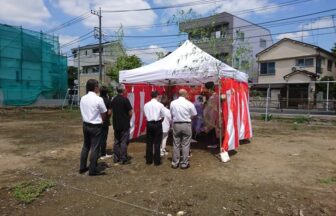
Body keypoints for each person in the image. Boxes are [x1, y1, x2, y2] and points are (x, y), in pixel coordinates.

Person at [79, 79, 107, 176]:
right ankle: (92, 169)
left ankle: (82, 167)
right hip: (95, 126)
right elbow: (104, 113)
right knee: (95, 148)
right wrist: (102, 121)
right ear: (95, 87)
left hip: (85, 124)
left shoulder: (83, 98)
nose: (99, 88)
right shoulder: (99, 99)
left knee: (86, 146)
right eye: (98, 86)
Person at [170, 89, 197, 169]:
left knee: (176, 143)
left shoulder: (173, 103)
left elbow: (171, 113)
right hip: (186, 124)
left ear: (179, 94)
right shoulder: (189, 103)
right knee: (185, 144)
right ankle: (184, 163)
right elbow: (194, 114)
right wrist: (189, 118)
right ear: (185, 94)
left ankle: (175, 163)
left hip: (176, 124)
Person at [111, 84, 133, 165]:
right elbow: (130, 112)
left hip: (116, 123)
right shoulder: (125, 100)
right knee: (124, 141)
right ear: (123, 90)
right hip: (124, 124)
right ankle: (123, 158)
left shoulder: (114, 100)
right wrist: (128, 119)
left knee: (116, 141)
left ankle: (116, 158)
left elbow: (111, 111)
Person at [143, 91, 165, 166]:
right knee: (157, 142)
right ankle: (157, 161)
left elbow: (145, 115)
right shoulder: (160, 105)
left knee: (149, 142)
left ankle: (149, 160)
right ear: (157, 96)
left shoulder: (146, 105)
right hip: (157, 123)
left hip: (149, 123)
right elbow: (163, 116)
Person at [99, 86, 112, 160]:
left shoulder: (97, 99)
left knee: (97, 138)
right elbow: (110, 112)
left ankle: (97, 152)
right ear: (106, 92)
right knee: (103, 138)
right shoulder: (107, 101)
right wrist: (107, 118)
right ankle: (103, 154)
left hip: (96, 121)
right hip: (105, 122)